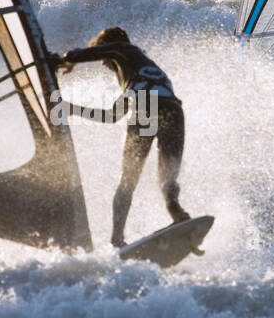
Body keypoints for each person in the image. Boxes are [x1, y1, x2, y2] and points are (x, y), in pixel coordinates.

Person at [48, 27, 190, 248]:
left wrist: (68, 59)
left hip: (147, 106)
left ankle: (117, 239)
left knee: (128, 181)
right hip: (172, 110)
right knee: (167, 177)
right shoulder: (139, 75)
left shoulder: (124, 49)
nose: (103, 63)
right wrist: (73, 109)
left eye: (103, 57)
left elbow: (110, 51)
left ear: (108, 48)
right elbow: (111, 116)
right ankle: (176, 211)